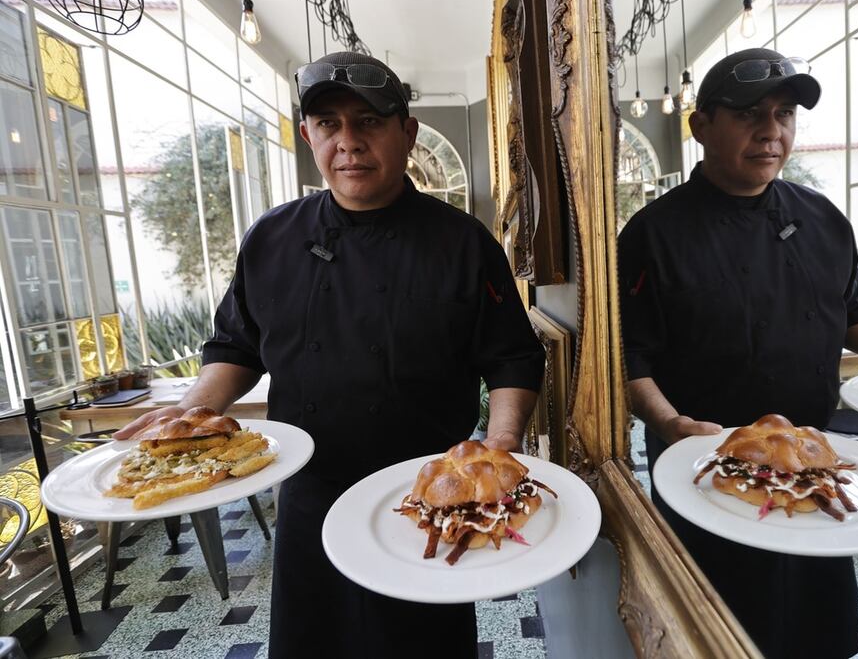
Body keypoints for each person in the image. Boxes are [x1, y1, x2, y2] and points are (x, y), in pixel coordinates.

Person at [115, 52, 545, 658]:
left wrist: (501, 440)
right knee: (314, 641)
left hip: (425, 490)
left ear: (407, 132)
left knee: (422, 646)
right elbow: (236, 344)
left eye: (369, 122)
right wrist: (191, 414)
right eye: (328, 125)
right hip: (309, 492)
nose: (349, 142)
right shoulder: (272, 238)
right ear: (307, 136)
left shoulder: (462, 241)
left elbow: (510, 357)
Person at [618, 47, 858, 659]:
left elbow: (855, 314)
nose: (771, 131)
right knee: (720, 633)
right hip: (706, 470)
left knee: (817, 628)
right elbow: (630, 357)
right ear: (701, 125)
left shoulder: (823, 219)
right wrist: (670, 423)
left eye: (784, 114)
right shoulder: (651, 234)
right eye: (748, 114)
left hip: (814, 459)